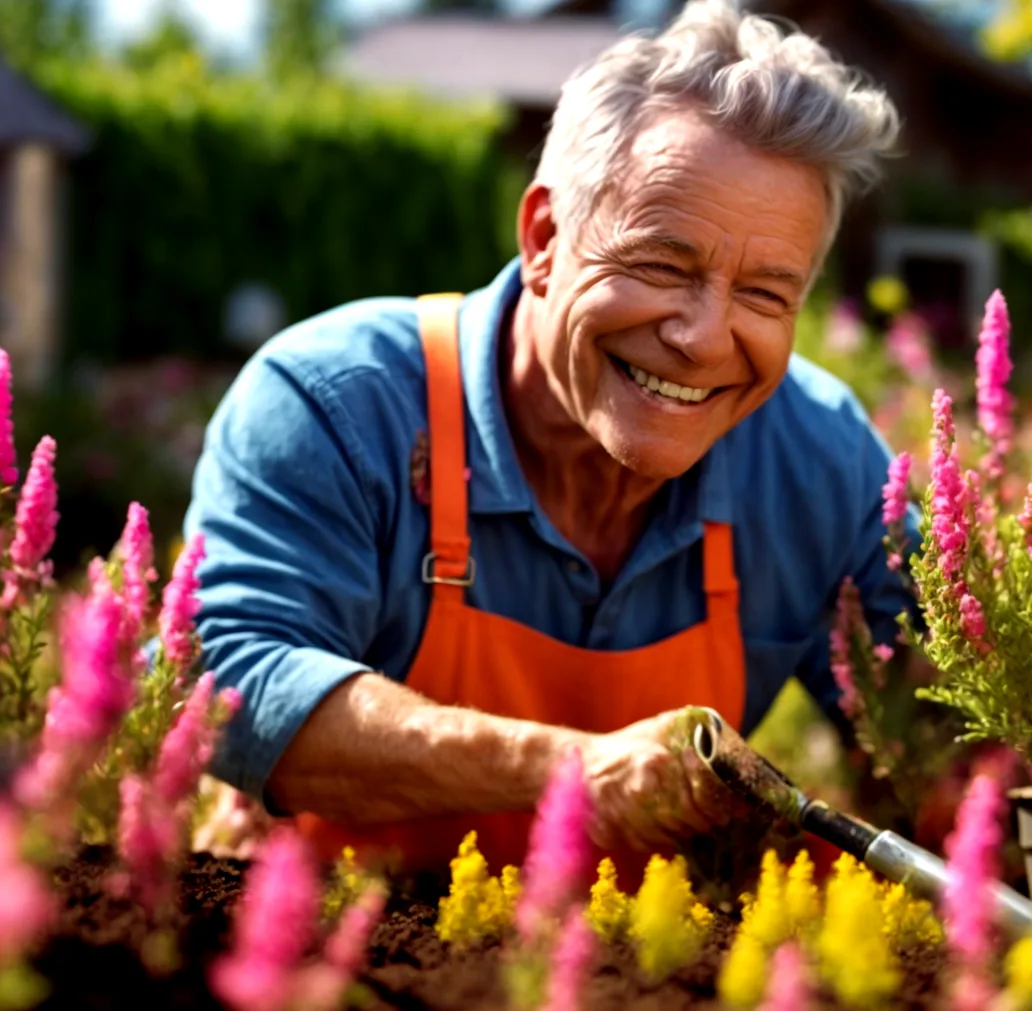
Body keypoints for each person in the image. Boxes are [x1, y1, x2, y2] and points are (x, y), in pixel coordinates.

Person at [187, 0, 917, 871]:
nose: (704, 335)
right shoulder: (338, 402)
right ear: (543, 238)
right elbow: (230, 685)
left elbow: (953, 733)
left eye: (765, 294)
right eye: (660, 263)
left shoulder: (819, 457)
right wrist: (573, 769)